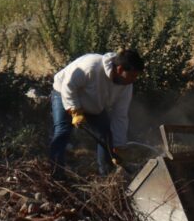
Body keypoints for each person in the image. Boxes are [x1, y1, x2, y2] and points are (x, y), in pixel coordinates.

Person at [49, 49, 144, 179]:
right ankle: (56, 174)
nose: (133, 80)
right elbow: (68, 85)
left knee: (106, 135)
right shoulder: (91, 66)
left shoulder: (126, 85)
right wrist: (75, 110)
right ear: (120, 69)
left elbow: (120, 115)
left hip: (92, 103)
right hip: (63, 94)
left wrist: (118, 146)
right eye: (132, 75)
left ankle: (106, 176)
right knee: (63, 131)